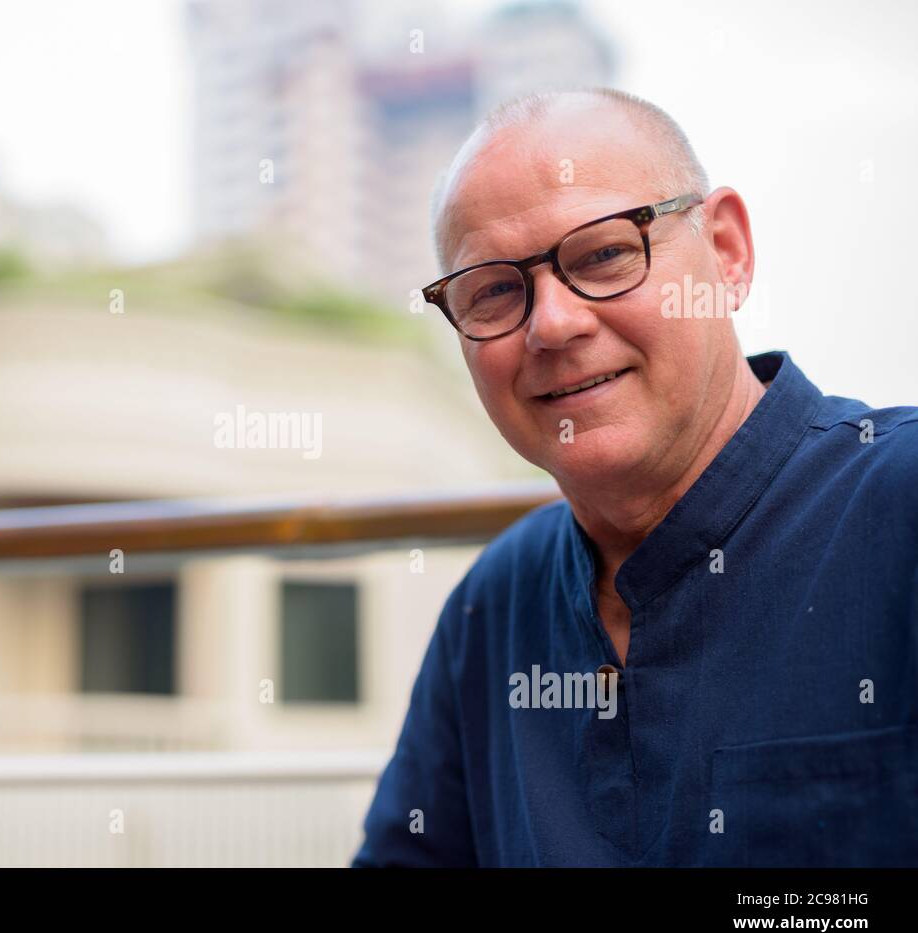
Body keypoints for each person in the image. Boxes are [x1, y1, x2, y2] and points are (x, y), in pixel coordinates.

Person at [352, 88, 918, 866]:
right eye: (493, 290)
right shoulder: (495, 604)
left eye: (605, 254)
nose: (552, 324)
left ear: (726, 252)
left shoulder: (898, 509)